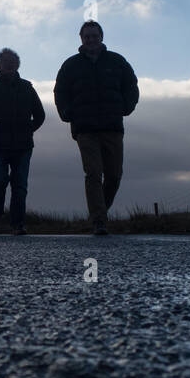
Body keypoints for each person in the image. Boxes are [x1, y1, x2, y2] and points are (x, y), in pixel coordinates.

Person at [53, 20, 139, 235]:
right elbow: (60, 91)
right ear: (81, 39)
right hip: (85, 128)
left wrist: (126, 108)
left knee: (114, 175)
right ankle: (99, 220)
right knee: (93, 173)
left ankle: (99, 212)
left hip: (112, 126)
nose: (90, 39)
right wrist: (66, 113)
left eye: (94, 35)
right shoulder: (71, 65)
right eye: (86, 36)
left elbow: (131, 86)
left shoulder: (117, 61)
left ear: (101, 37)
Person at [0, 48, 45, 235]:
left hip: (23, 146)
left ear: (18, 64)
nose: (9, 64)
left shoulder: (27, 87)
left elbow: (40, 115)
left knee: (20, 186)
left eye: (12, 61)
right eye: (5, 61)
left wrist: (28, 130)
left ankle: (18, 223)